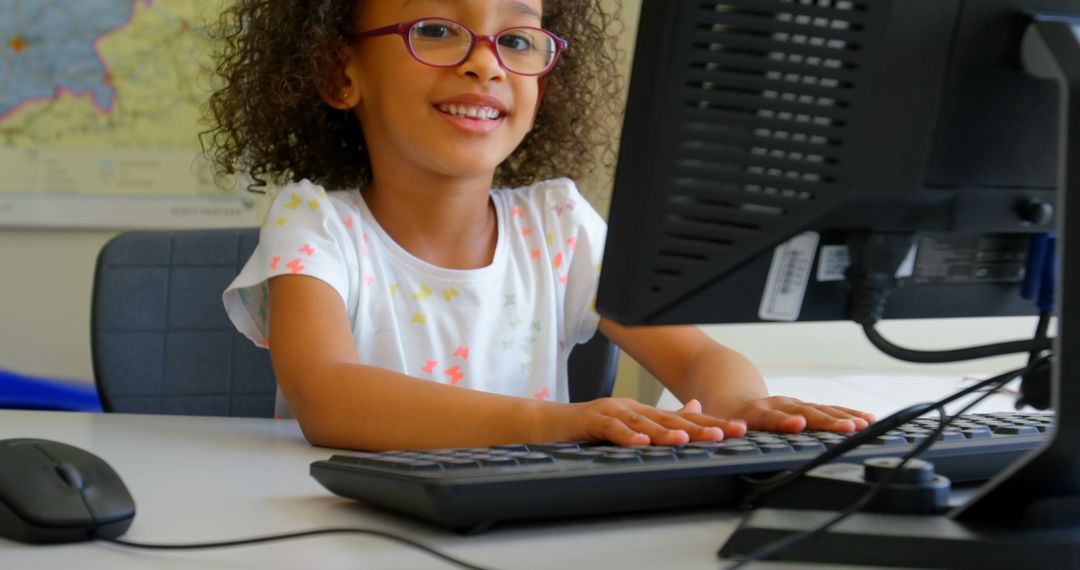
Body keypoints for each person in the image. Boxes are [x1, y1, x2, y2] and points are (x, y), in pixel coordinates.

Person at [205, 0, 875, 451]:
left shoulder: (558, 225)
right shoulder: (315, 224)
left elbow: (698, 356)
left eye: (518, 40)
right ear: (339, 73)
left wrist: (739, 403)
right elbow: (329, 396)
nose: (486, 62)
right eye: (437, 30)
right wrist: (551, 423)